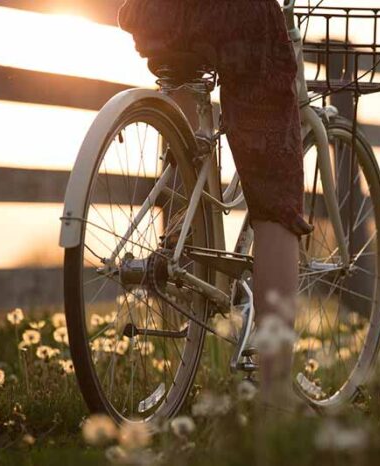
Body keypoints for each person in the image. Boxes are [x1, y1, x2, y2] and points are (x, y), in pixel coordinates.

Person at [118, 0, 312, 409]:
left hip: (156, 13)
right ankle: (276, 396)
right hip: (236, 15)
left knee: (186, 134)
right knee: (276, 197)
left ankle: (184, 237)